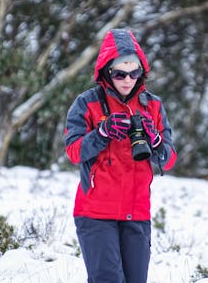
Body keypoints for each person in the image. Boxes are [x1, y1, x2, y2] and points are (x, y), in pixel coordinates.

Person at [64, 28, 177, 282]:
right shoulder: (87, 103)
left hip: (137, 214)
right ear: (106, 71)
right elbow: (73, 151)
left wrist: (156, 141)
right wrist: (101, 133)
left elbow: (169, 159)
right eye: (120, 74)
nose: (128, 80)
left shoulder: (154, 105)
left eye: (134, 73)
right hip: (95, 213)